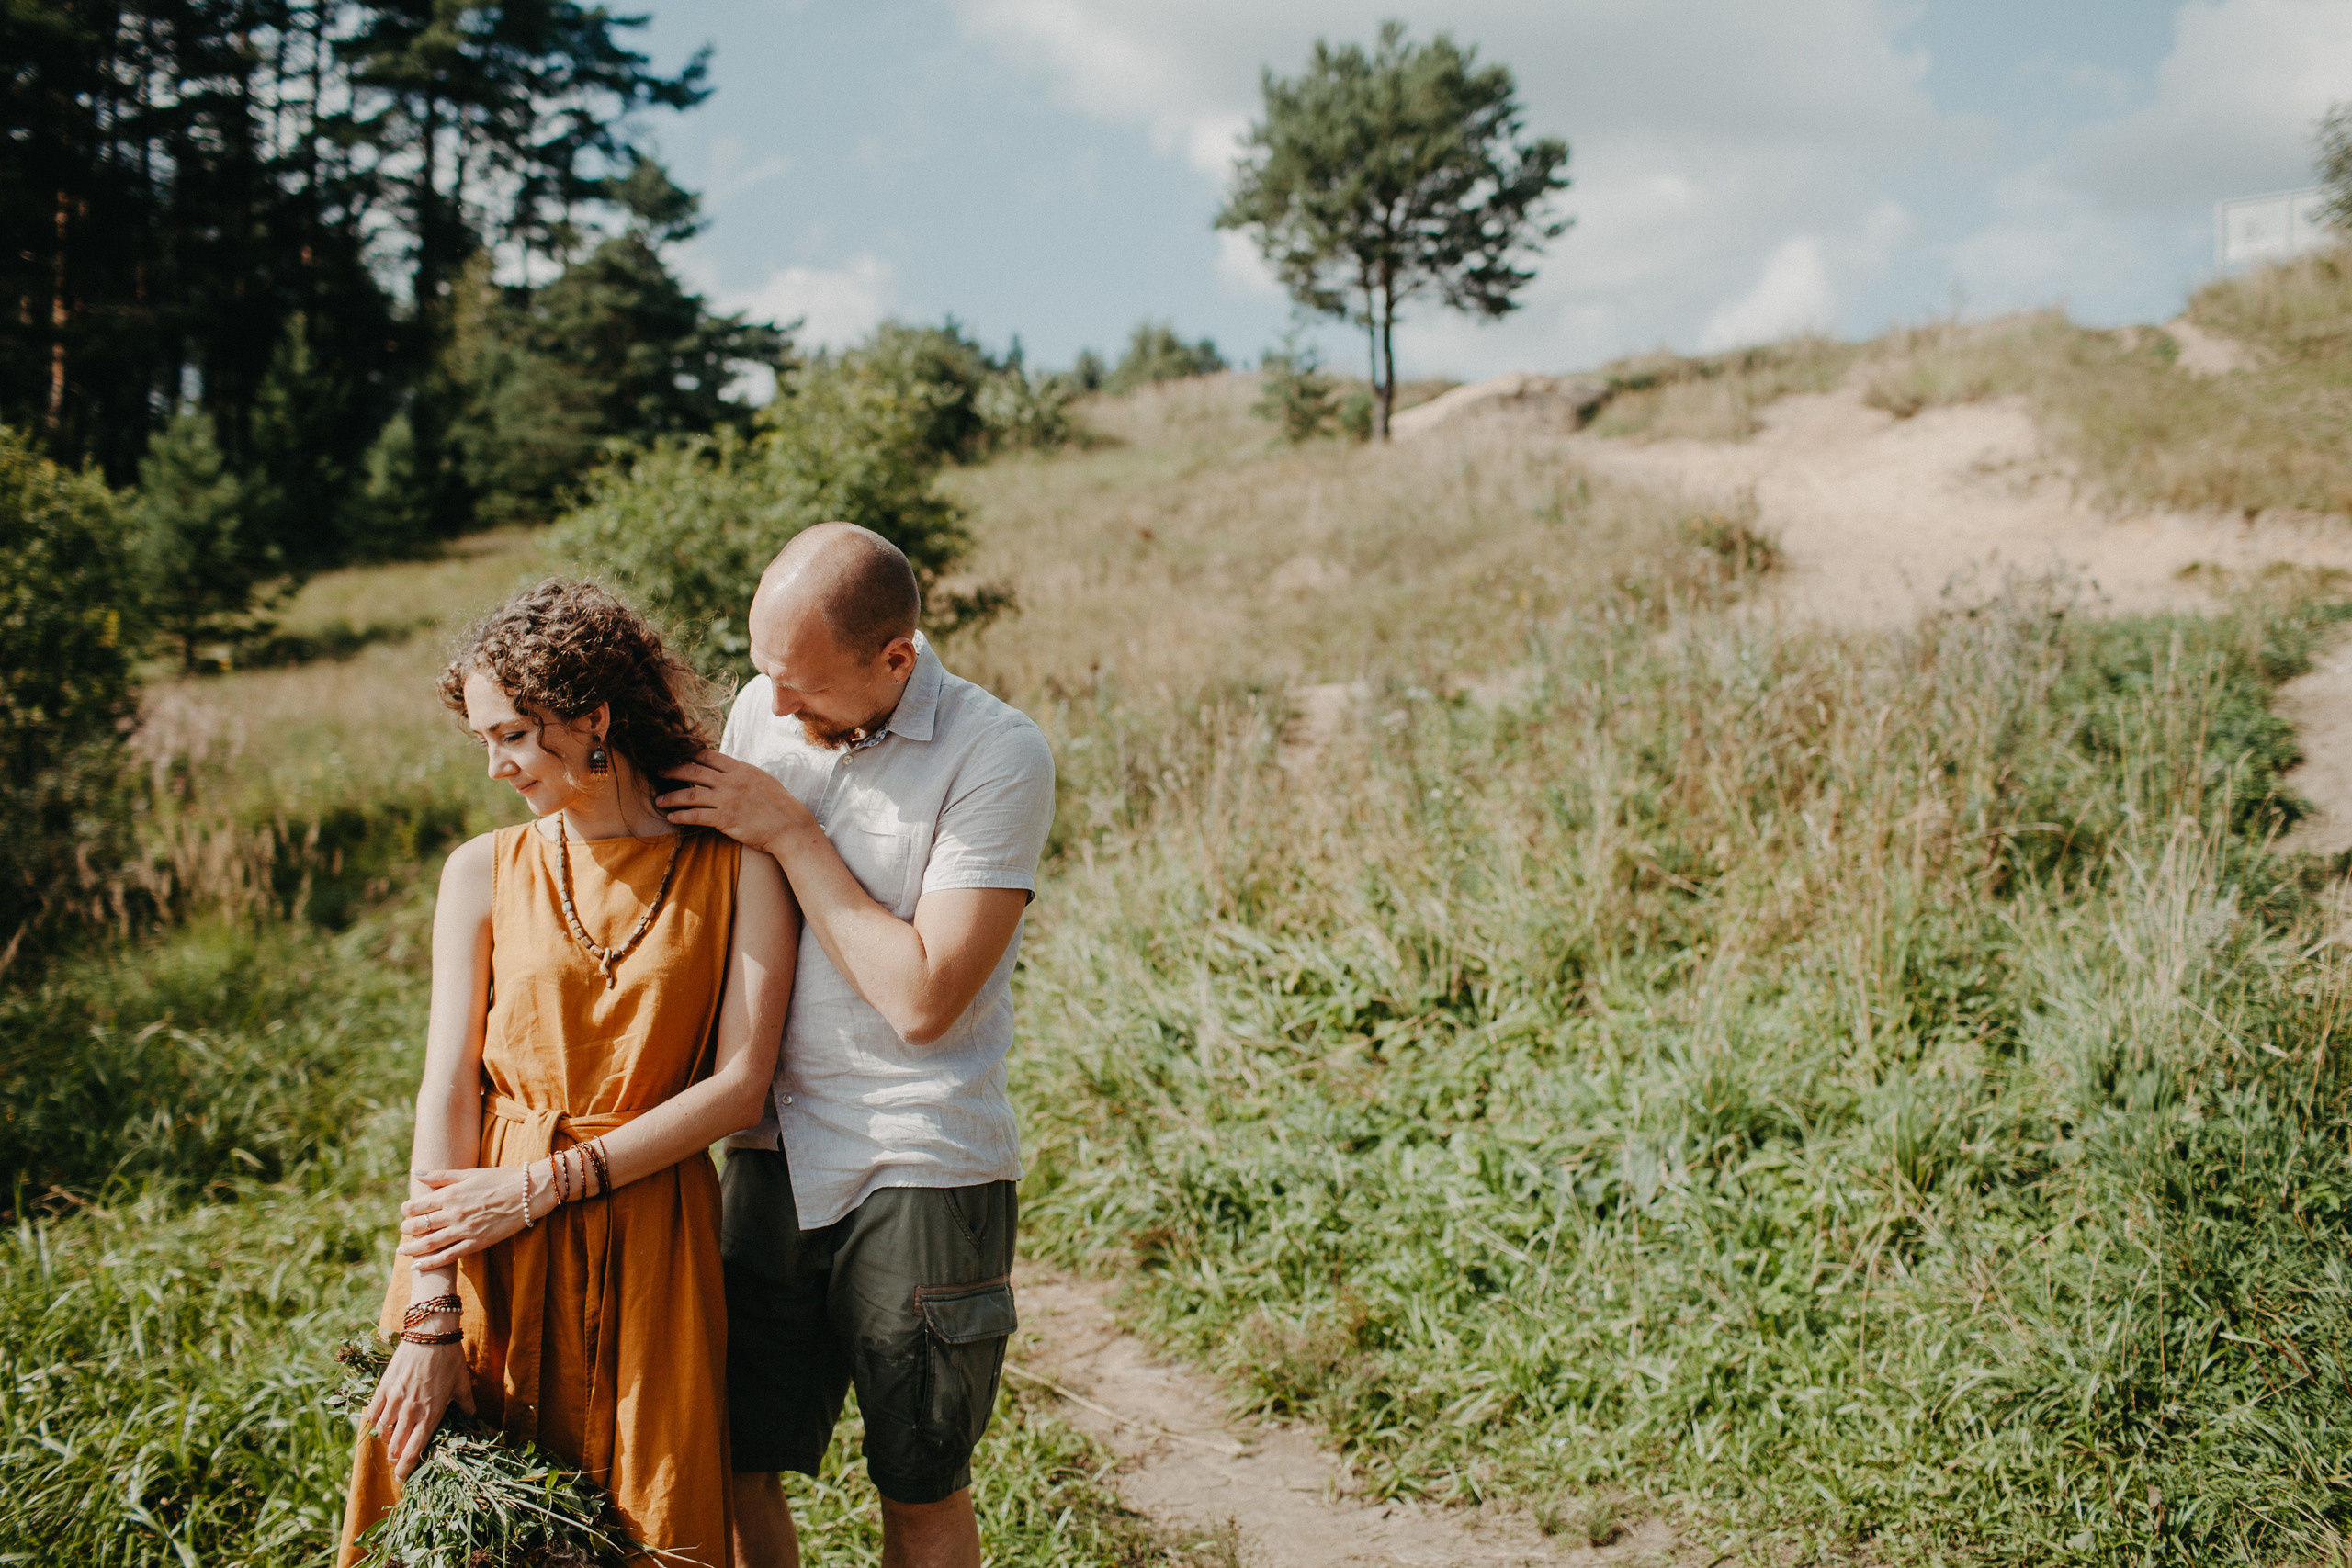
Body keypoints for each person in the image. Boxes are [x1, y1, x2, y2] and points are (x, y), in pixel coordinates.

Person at [338, 580, 797, 1568]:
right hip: (478, 1235)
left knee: (648, 1522)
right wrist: (430, 1312)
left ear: (592, 719)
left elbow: (739, 1087)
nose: (496, 767)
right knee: (477, 1533)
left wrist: (543, 1187)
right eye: (482, 741)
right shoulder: (481, 869)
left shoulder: (737, 866)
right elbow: (448, 1090)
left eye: (511, 735)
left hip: (649, 1232)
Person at [655, 524, 1056, 1568]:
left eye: (801, 684)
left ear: (897, 657)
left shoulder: (996, 752)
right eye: (763, 674)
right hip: (768, 1146)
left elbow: (924, 999)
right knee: (737, 1458)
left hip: (916, 1156)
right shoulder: (763, 705)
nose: (773, 709)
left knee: (916, 1480)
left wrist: (792, 831)